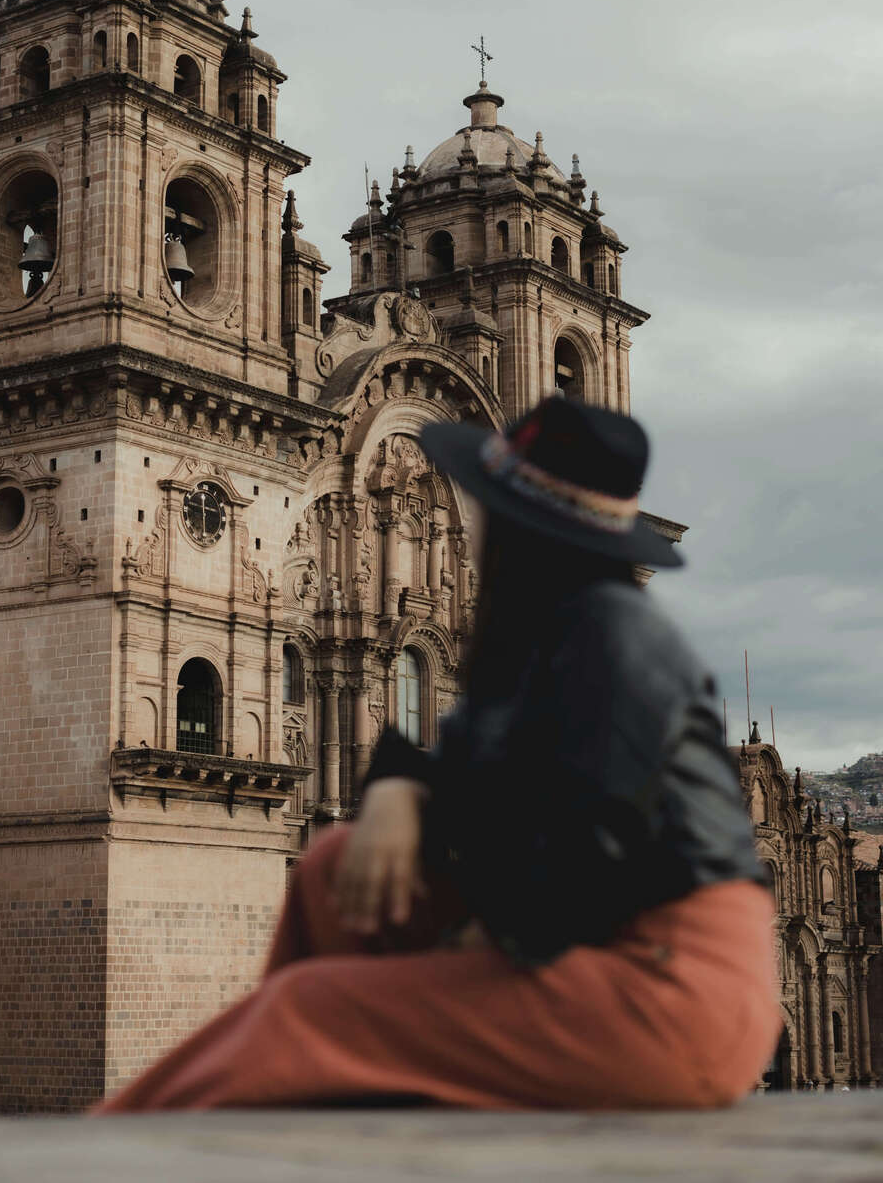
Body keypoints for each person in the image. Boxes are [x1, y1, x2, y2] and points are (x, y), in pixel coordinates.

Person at [94, 397, 779, 1113]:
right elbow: (455, 762)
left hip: (671, 995)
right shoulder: (546, 637)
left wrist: (465, 949)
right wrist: (397, 789)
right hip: (614, 952)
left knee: (309, 1009)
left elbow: (583, 856)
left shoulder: (616, 642)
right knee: (332, 873)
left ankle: (117, 1145)